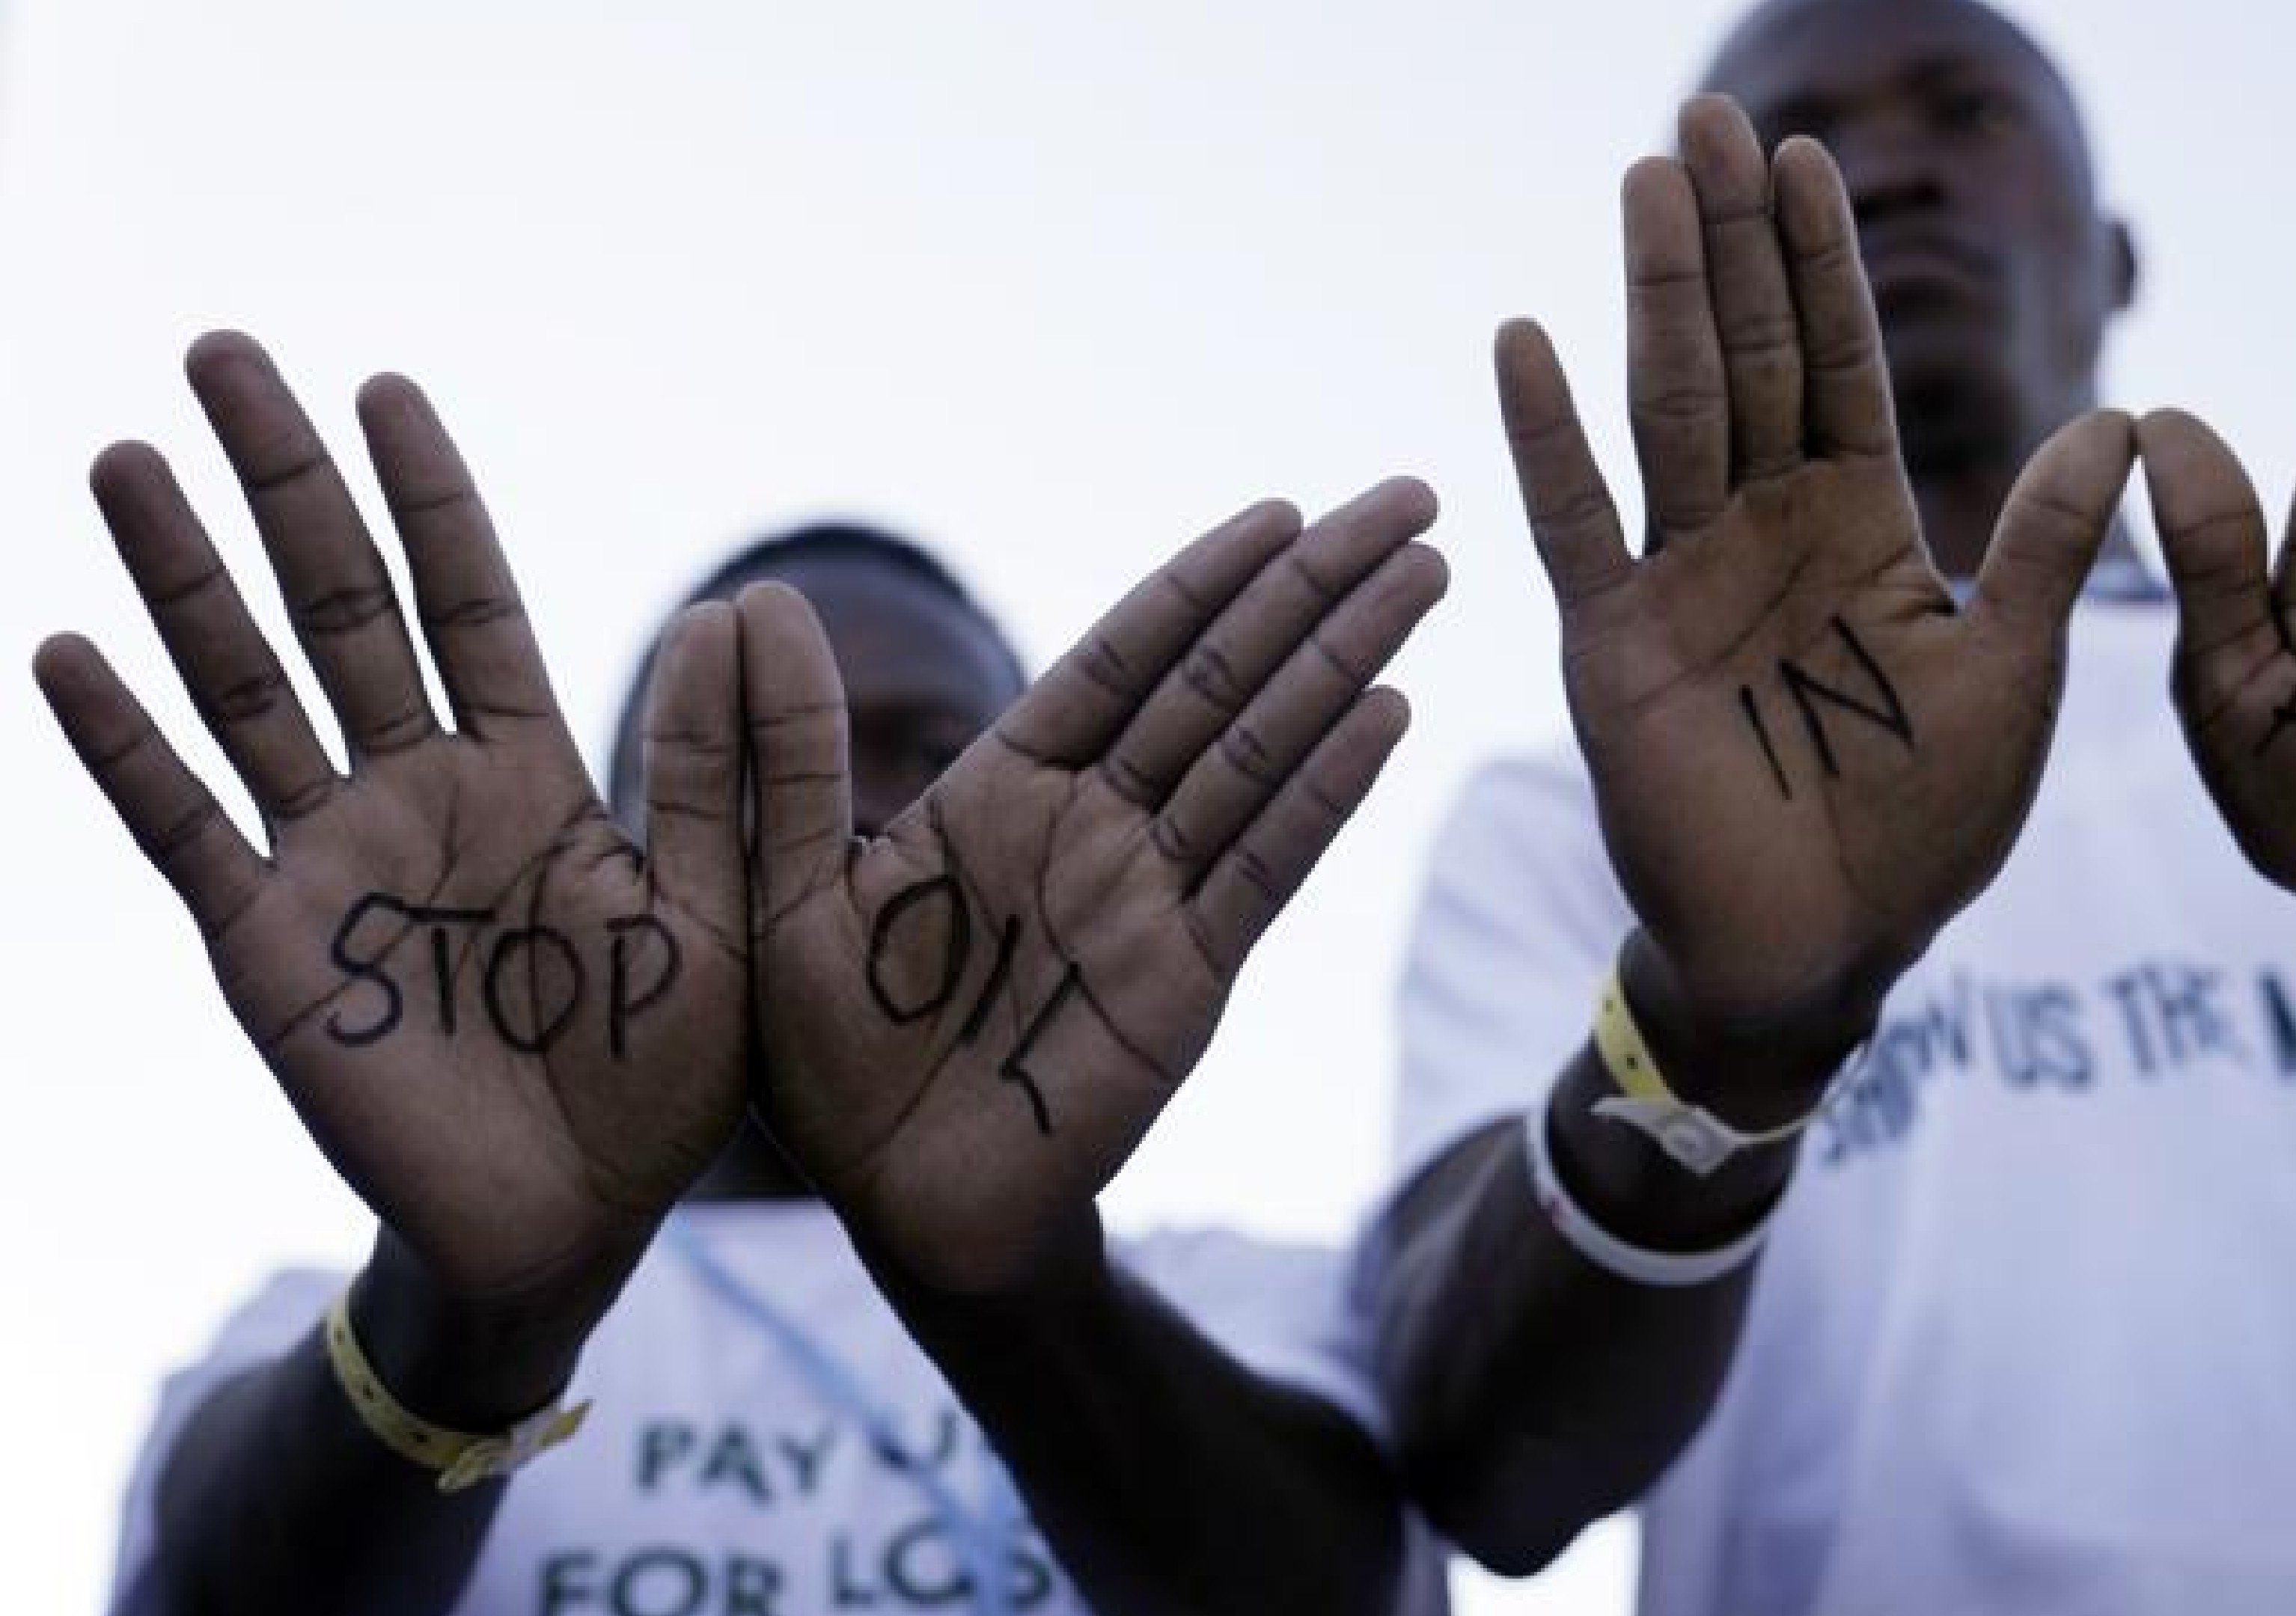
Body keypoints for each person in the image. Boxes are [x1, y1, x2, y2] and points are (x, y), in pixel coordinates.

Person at [1363, 6, 2296, 1613]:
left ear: (2122, 253)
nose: (1890, 170)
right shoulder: (1580, 816)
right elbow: (1479, 1465)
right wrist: (1721, 1031)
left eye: (1970, 116)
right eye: (1804, 140)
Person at [54, 331, 1450, 1615]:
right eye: (743, 750)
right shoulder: (330, 1327)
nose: (828, 807)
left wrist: (1014, 1289)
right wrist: (476, 1315)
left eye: (924, 749)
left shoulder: (1238, 1302)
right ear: (592, 842)